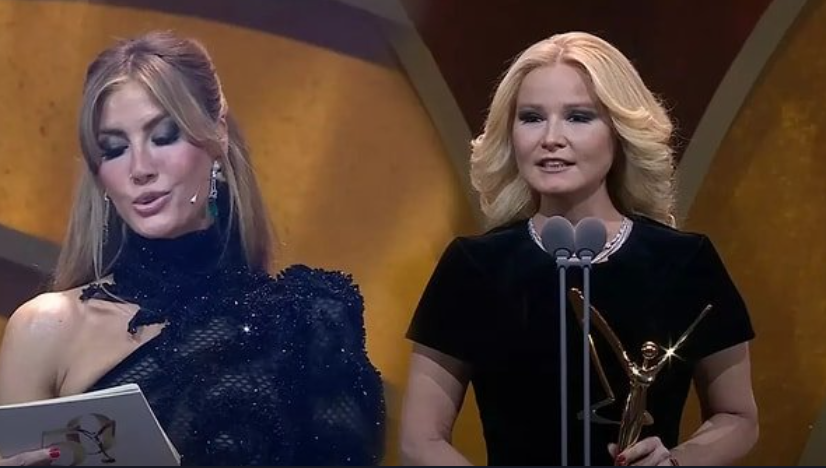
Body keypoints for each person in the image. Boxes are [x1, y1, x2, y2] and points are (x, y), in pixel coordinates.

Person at [0, 30, 385, 466]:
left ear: (217, 137)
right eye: (115, 149)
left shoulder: (308, 321)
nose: (140, 168)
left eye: (164, 136)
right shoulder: (45, 329)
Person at [399, 31, 758, 466]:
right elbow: (421, 440)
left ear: (619, 130)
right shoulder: (474, 267)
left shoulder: (684, 262)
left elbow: (737, 417)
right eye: (532, 117)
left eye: (578, 117)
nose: (551, 138)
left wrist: (676, 462)